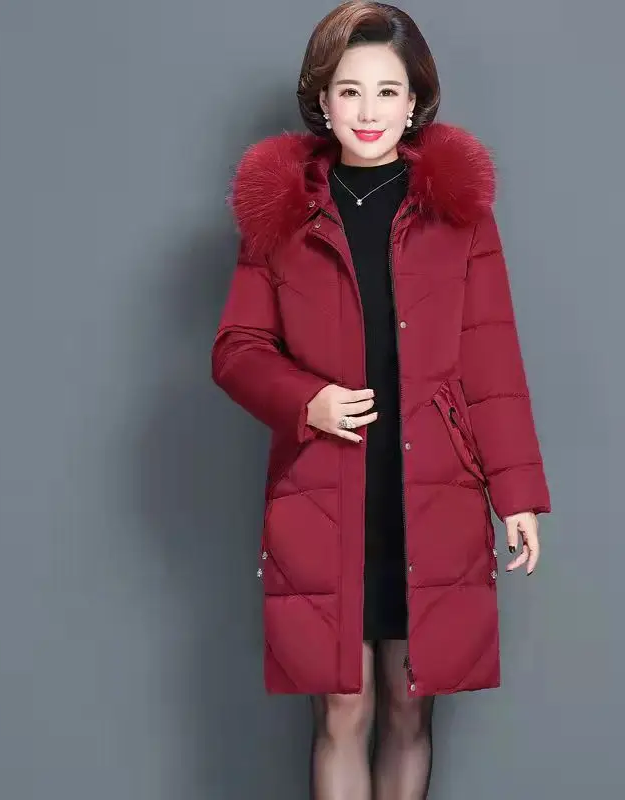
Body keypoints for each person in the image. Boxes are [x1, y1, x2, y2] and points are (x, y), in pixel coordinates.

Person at [211, 2, 551, 797]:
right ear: (322, 101)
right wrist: (308, 401)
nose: (369, 110)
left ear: (415, 101)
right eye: (350, 90)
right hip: (324, 490)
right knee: (341, 707)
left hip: (432, 490)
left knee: (408, 706)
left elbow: (492, 358)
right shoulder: (280, 210)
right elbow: (236, 350)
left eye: (388, 91)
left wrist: (517, 496)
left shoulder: (458, 212)